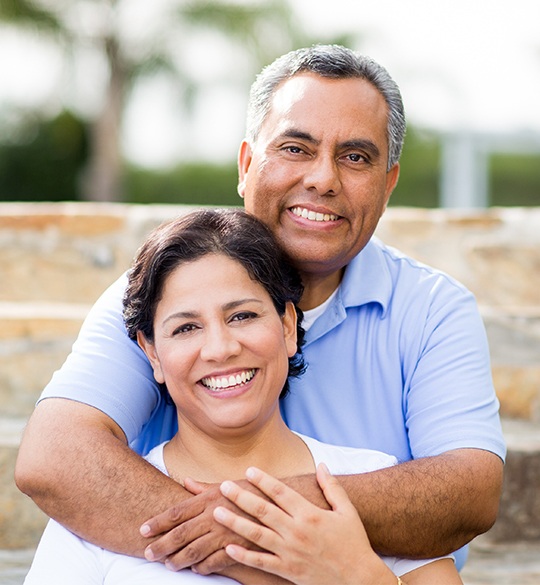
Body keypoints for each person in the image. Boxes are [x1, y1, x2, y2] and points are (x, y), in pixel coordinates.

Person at [15, 45, 505, 574]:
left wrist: (249, 520)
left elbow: (469, 491)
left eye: (356, 157)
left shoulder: (432, 310)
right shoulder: (162, 291)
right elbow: (55, 456)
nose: (323, 179)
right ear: (247, 165)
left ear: (388, 184)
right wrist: (262, 557)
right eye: (295, 148)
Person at [24, 209, 462, 584]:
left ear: (288, 326)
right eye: (186, 327)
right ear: (151, 353)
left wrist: (359, 576)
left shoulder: (371, 479)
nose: (220, 348)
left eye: (243, 315)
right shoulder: (96, 510)